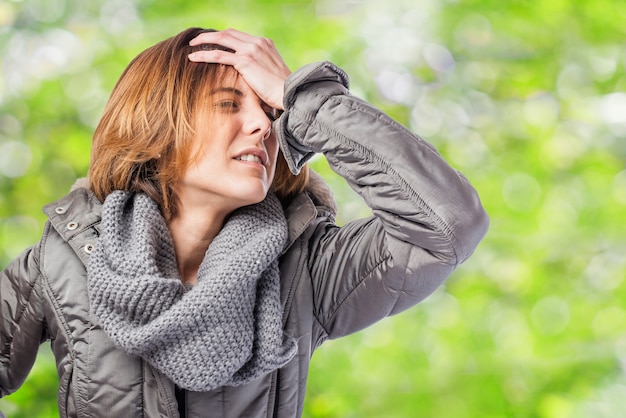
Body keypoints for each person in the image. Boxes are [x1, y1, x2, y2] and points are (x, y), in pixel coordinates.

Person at [0, 27, 489, 417]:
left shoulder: (308, 269)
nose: (262, 125)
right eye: (230, 104)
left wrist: (305, 100)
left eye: (270, 111)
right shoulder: (64, 259)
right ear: (158, 124)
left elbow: (449, 222)